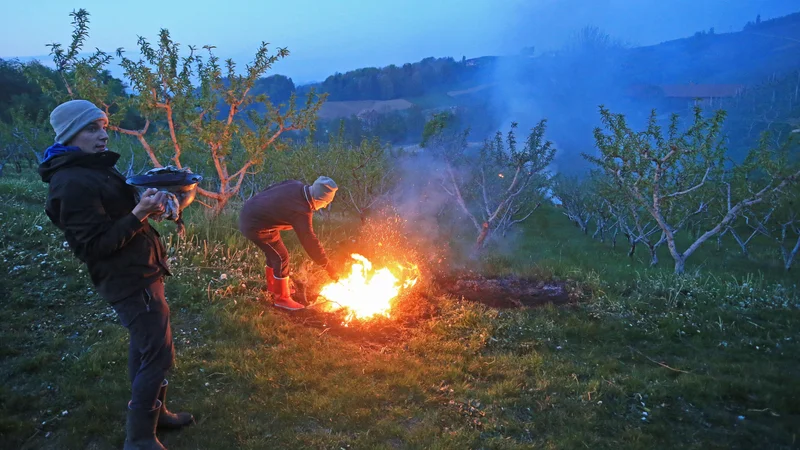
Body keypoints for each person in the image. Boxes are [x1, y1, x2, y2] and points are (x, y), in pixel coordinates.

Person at [38, 99, 193, 450]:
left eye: (104, 126)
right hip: (127, 278)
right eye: (92, 129)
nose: (103, 135)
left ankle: (158, 412)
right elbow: (92, 246)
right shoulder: (71, 182)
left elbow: (116, 215)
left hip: (141, 267)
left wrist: (147, 207)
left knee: (145, 344)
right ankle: (139, 438)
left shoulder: (93, 167)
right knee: (158, 353)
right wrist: (139, 212)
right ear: (70, 135)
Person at [239, 177, 342, 311]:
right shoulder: (301, 211)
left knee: (274, 253)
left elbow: (271, 189)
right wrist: (329, 268)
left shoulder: (295, 185)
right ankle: (281, 299)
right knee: (281, 257)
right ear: (319, 199)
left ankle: (274, 288)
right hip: (255, 225)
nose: (325, 206)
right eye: (326, 202)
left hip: (252, 212)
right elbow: (309, 241)